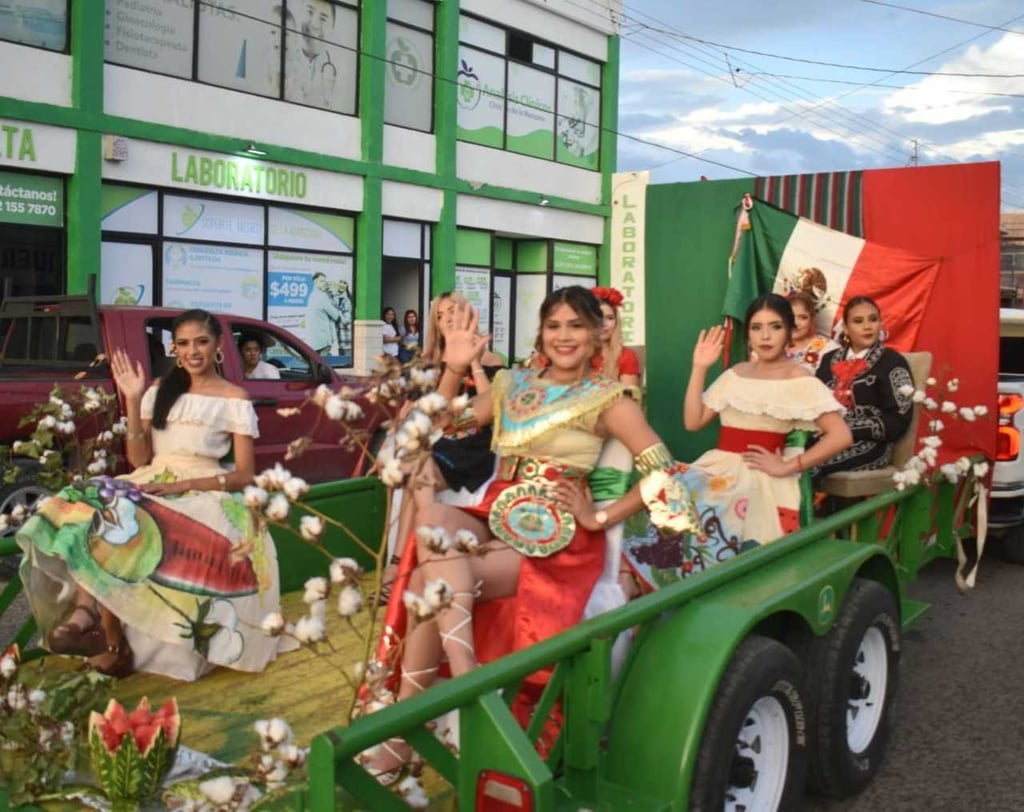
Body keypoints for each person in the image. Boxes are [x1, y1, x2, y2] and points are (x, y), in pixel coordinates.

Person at [367, 286, 702, 781]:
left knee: (423, 586)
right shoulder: (512, 385)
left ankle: (400, 737)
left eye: (576, 326)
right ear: (541, 333)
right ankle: (469, 679)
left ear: (595, 337)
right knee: (433, 520)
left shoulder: (610, 399)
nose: (564, 336)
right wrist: (455, 368)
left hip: (555, 536)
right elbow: (434, 429)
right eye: (554, 326)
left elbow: (667, 474)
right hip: (494, 508)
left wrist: (601, 519)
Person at [15, 310, 289, 680]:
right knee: (85, 500)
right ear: (174, 348)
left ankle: (108, 638)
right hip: (152, 476)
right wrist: (132, 398)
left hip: (204, 486)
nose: (193, 351)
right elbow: (138, 458)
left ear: (219, 346)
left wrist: (179, 486)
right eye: (184, 343)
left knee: (129, 518)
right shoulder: (161, 390)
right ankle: (89, 616)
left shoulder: (234, 397)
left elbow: (243, 474)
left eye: (202, 342)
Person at [621, 293, 852, 590]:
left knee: (706, 516)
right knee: (658, 489)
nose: (765, 336)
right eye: (756, 328)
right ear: (748, 334)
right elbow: (693, 422)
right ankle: (634, 589)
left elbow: (841, 435)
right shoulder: (735, 374)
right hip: (718, 465)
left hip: (759, 475)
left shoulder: (800, 379)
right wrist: (699, 367)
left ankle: (673, 589)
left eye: (775, 327)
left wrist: (789, 466)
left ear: (789, 331)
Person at [378, 293, 504, 599]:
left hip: (475, 444)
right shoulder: (429, 364)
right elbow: (424, 415)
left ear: (468, 315)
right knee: (416, 466)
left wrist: (472, 360)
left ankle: (398, 565)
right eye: (440, 315)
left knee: (414, 470)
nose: (448, 318)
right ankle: (418, 554)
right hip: (437, 442)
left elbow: (490, 410)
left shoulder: (493, 361)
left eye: (454, 311)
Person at [813, 296, 914, 478]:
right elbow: (813, 404)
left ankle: (810, 506)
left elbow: (898, 420)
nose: (867, 326)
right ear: (845, 328)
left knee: (808, 465)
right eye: (858, 321)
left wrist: (845, 427)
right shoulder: (829, 360)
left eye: (873, 319)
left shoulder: (892, 362)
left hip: (870, 444)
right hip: (824, 437)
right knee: (785, 457)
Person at [591, 286, 642, 388]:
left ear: (617, 322)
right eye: (598, 317)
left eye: (610, 318)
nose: (603, 324)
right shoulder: (575, 353)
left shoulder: (626, 356)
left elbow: (630, 398)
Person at [786, 290, 838, 372]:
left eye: (803, 317)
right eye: (790, 317)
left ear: (811, 320)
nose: (795, 323)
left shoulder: (829, 349)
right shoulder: (771, 346)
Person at [308, 272, 342, 355]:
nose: (324, 284)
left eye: (324, 281)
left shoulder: (312, 296)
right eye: (322, 281)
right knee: (323, 365)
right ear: (315, 282)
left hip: (315, 341)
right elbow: (336, 316)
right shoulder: (322, 297)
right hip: (323, 341)